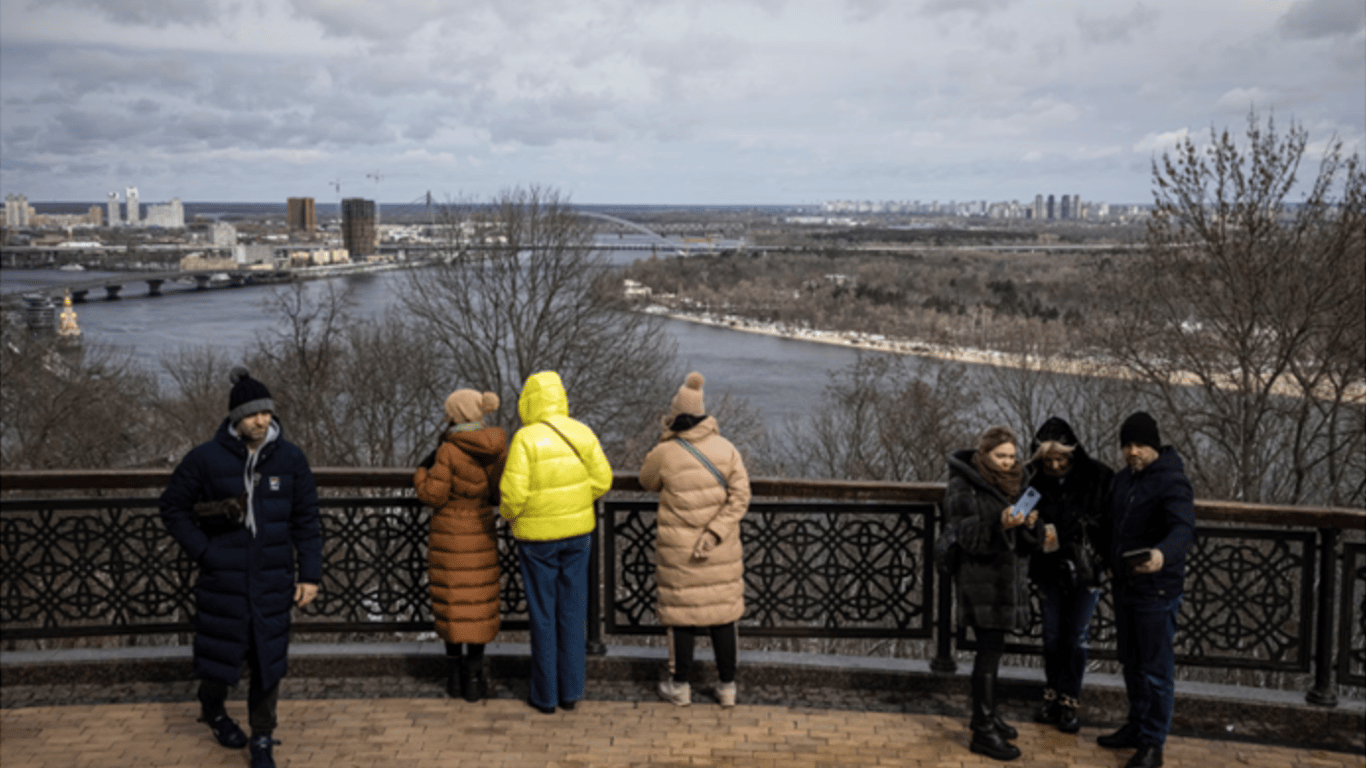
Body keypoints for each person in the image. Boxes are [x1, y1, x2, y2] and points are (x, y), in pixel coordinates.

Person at [159, 367, 322, 768]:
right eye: (251, 414)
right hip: (223, 575)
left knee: (268, 657)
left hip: (273, 574)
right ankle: (212, 708)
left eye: (265, 413)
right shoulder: (205, 458)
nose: (261, 421)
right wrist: (205, 551)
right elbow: (172, 507)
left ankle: (262, 737)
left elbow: (306, 519)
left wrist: (310, 575)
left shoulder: (290, 457)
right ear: (235, 417)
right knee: (221, 654)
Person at [499, 371, 613, 714]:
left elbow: (512, 496)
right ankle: (571, 692)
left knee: (543, 615)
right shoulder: (582, 432)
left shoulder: (525, 439)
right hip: (578, 535)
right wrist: (576, 503)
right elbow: (603, 480)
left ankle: (545, 695)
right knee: (572, 612)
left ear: (529, 401)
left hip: (537, 541)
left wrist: (513, 514)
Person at [638, 373, 751, 708]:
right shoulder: (726, 448)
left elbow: (647, 481)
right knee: (723, 615)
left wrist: (665, 435)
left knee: (681, 616)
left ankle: (681, 685)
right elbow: (741, 496)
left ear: (675, 416)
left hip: (680, 549)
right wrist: (716, 530)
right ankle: (727, 687)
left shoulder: (665, 451)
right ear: (704, 414)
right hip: (720, 547)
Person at [1097, 412, 1195, 768]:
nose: (1132, 452)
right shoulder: (1124, 480)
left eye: (1139, 445)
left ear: (1153, 445)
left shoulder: (1172, 481)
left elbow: (1183, 530)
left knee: (1155, 670)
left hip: (1156, 589)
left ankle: (1154, 745)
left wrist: (1160, 554)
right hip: (1125, 585)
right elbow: (1112, 524)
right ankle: (1136, 727)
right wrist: (1107, 557)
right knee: (1132, 663)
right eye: (1126, 445)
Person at [944, 425, 1039, 762]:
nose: (1008, 463)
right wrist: (1001, 525)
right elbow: (966, 537)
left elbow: (1032, 542)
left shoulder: (1019, 482)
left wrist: (1029, 526)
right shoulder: (963, 484)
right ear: (984, 455)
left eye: (1013, 456)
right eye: (1001, 456)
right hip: (980, 580)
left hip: (1007, 579)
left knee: (994, 651)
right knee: (987, 653)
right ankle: (983, 731)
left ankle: (987, 715)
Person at [414, 389, 508, 702]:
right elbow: (498, 494)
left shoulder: (449, 450)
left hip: (449, 534)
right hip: (481, 530)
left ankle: (454, 677)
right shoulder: (496, 448)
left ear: (456, 414)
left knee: (453, 605)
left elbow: (433, 495)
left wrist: (420, 473)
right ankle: (474, 678)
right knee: (478, 607)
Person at [1024, 417, 1114, 734]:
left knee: (1076, 637)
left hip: (1088, 571)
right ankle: (1052, 694)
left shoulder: (1100, 477)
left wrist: (1103, 557)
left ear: (1072, 454)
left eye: (1060, 458)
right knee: (1051, 636)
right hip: (1049, 570)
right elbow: (1019, 520)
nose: (1055, 465)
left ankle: (1069, 700)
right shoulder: (1034, 484)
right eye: (1048, 460)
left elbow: (1113, 523)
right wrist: (1029, 524)